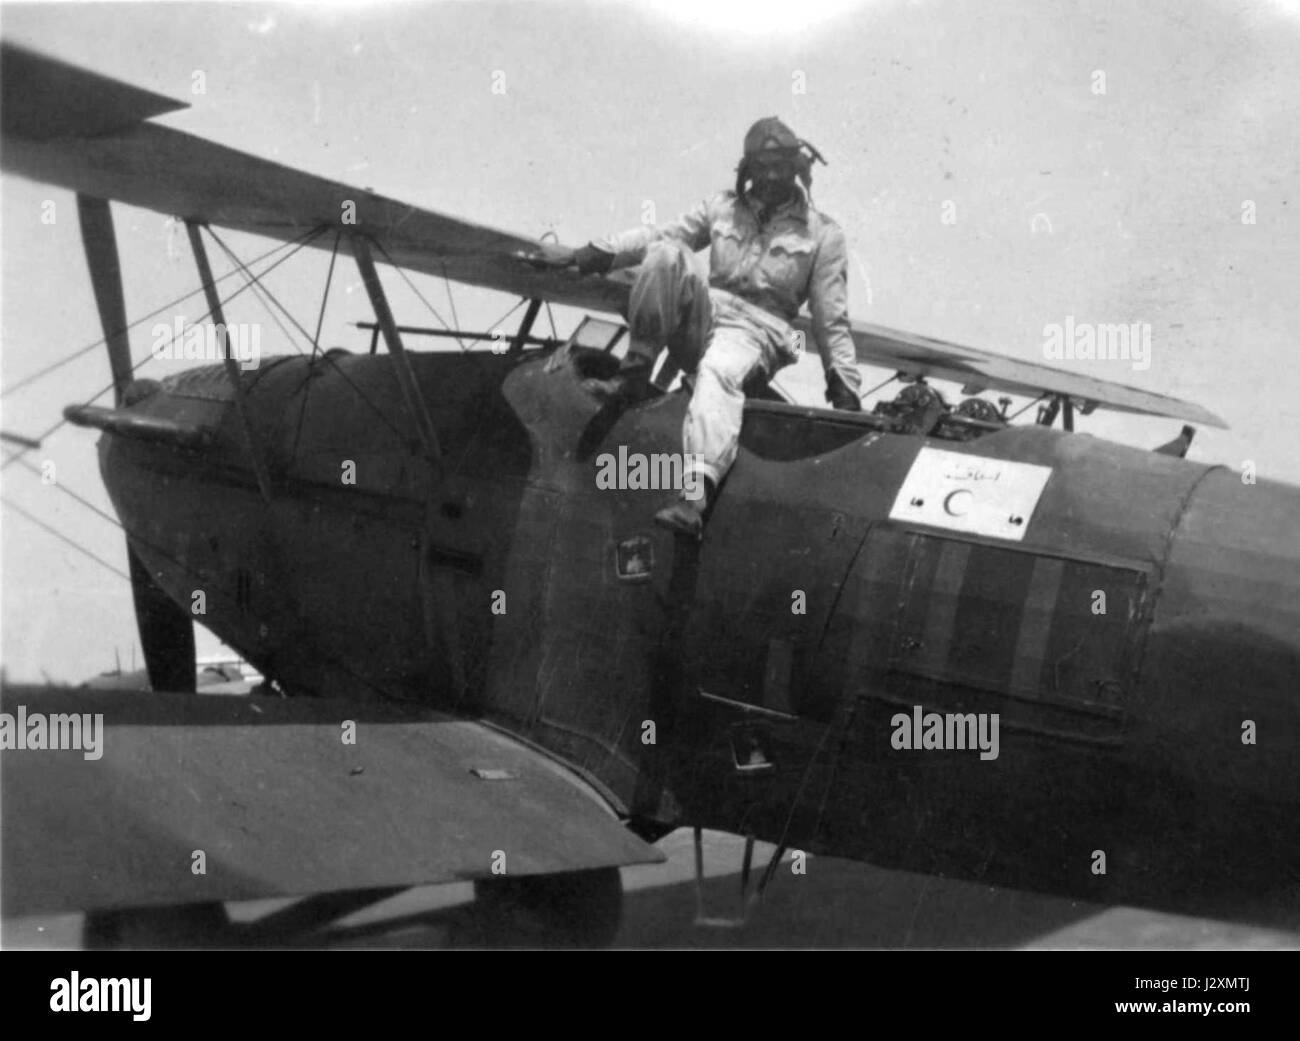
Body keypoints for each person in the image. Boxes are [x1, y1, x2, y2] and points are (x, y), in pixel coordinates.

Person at [555, 117, 862, 537]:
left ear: (797, 168)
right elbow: (661, 233)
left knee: (717, 371)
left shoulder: (825, 234)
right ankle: (633, 373)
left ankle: (695, 495)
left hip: (758, 332)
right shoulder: (721, 207)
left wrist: (844, 388)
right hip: (708, 314)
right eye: (763, 166)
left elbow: (832, 319)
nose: (772, 176)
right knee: (666, 252)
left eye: (781, 165)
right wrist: (597, 252)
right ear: (748, 170)